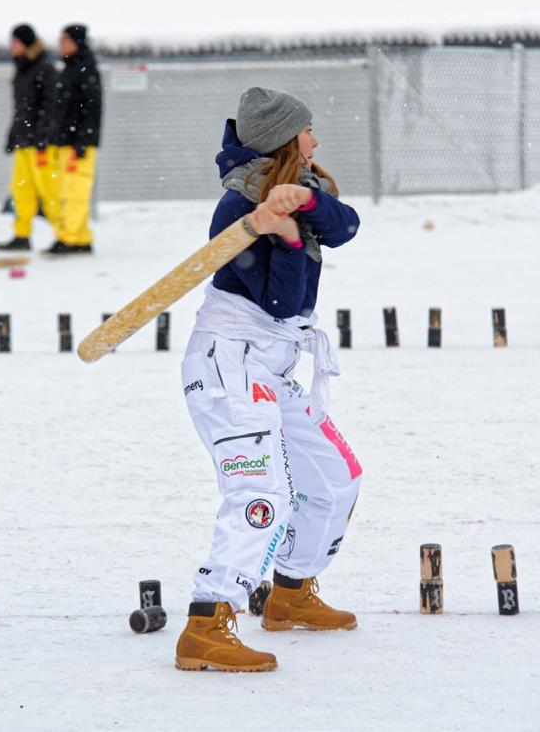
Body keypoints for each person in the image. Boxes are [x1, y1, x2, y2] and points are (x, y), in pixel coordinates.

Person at [175, 87, 363, 673]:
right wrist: (280, 236)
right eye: (308, 131)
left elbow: (346, 225)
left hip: (272, 367)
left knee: (336, 479)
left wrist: (303, 202)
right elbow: (281, 299)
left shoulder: (304, 188)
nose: (316, 140)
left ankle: (288, 592)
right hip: (228, 363)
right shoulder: (237, 208)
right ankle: (208, 622)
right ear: (286, 138)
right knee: (261, 492)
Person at [0, 24, 58, 251]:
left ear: (26, 43)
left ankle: (66, 235)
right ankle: (21, 235)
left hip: (41, 144)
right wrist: (12, 136)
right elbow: (21, 110)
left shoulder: (45, 68)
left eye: (15, 42)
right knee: (20, 190)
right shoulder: (22, 70)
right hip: (24, 142)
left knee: (49, 190)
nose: (11, 47)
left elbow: (51, 106)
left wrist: (44, 135)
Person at [43, 24, 102, 255]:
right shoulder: (69, 68)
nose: (61, 44)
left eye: (65, 40)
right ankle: (81, 238)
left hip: (79, 145)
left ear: (77, 42)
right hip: (65, 142)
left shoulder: (86, 69)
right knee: (66, 191)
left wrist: (83, 141)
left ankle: (68, 238)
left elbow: (92, 108)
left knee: (75, 192)